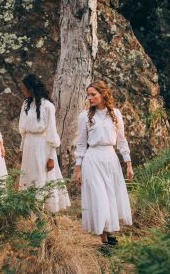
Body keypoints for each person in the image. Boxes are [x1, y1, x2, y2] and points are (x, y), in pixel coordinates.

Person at [74, 80, 133, 245]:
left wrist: (128, 164)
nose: (90, 98)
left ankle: (109, 232)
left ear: (103, 94)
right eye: (88, 95)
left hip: (110, 158)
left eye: (93, 94)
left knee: (110, 196)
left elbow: (121, 141)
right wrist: (78, 169)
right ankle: (104, 238)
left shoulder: (115, 114)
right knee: (99, 196)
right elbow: (81, 144)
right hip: (93, 159)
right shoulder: (84, 116)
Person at [18, 74, 71, 213]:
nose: (23, 92)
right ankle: (30, 211)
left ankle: (45, 211)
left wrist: (52, 157)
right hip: (28, 144)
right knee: (28, 177)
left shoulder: (48, 106)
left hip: (42, 146)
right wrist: (21, 148)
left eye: (25, 89)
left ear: (32, 88)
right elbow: (23, 130)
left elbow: (52, 133)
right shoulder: (26, 104)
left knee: (42, 177)